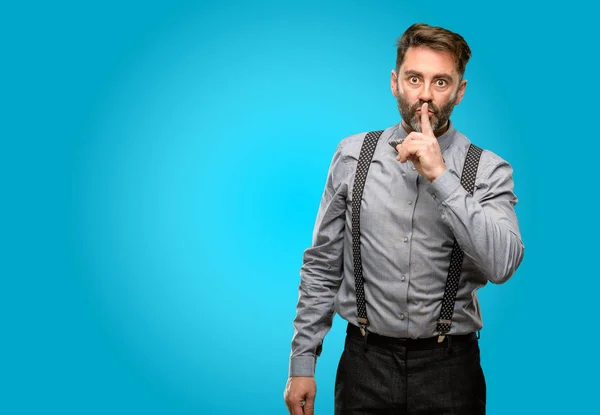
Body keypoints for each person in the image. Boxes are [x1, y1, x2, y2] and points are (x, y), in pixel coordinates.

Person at [283, 23, 524, 415]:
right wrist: (302, 363)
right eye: (415, 78)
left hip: (450, 369)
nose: (425, 95)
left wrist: (441, 178)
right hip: (364, 364)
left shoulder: (488, 169)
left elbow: (502, 265)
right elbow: (323, 266)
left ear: (460, 91)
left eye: (441, 82)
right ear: (396, 83)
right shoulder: (351, 155)